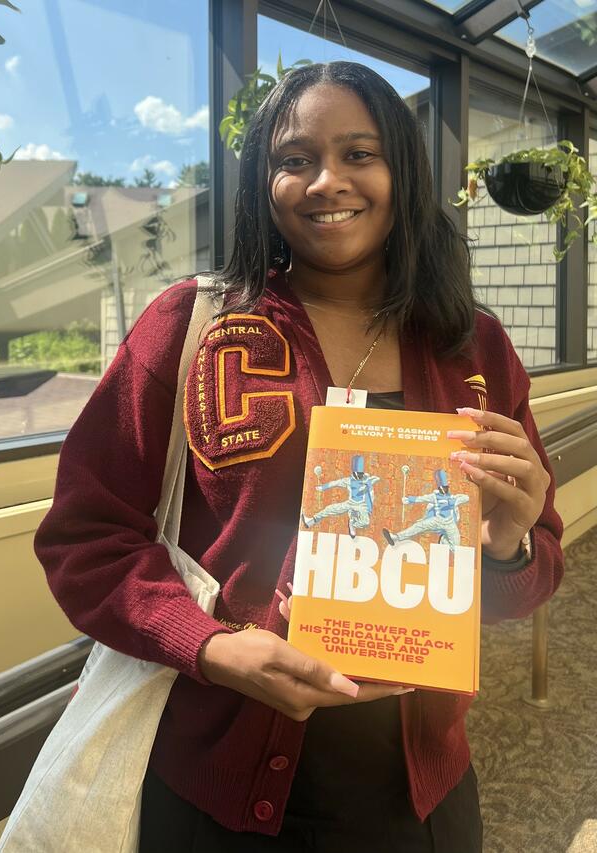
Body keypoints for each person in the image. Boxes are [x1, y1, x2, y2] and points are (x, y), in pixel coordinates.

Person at [35, 62, 563, 852]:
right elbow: (84, 537)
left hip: (416, 803)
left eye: (360, 153)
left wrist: (509, 544)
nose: (327, 181)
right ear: (263, 182)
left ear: (403, 173)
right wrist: (210, 645)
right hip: (214, 791)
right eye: (294, 159)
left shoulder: (473, 345)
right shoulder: (192, 325)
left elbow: (531, 577)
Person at [382, 468, 470, 551]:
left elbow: (466, 498)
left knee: (455, 548)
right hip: (437, 521)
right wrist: (409, 499)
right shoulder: (434, 496)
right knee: (418, 526)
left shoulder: (453, 497)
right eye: (443, 487)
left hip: (450, 523)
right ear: (439, 488)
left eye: (446, 487)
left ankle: (443, 540)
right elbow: (421, 499)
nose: (445, 489)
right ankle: (395, 537)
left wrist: (454, 501)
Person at [302, 454, 381, 538]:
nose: (359, 476)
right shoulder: (348, 481)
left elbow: (373, 490)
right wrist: (323, 487)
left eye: (360, 474)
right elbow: (335, 483)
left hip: (362, 505)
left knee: (366, 522)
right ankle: (311, 521)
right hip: (350, 503)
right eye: (357, 474)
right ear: (353, 473)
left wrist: (368, 507)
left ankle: (352, 523)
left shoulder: (368, 480)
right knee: (330, 508)